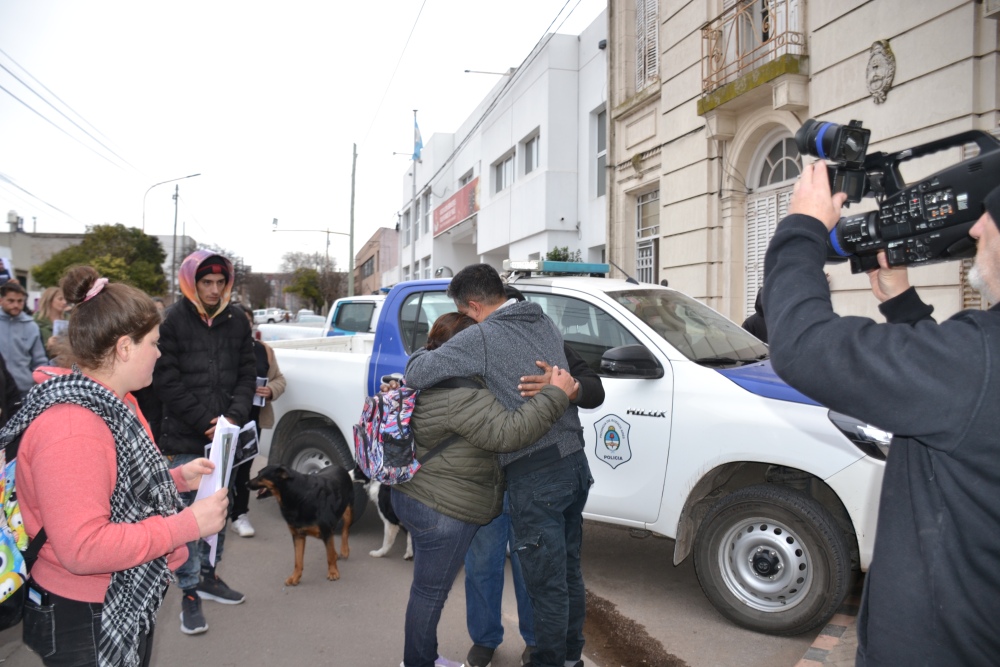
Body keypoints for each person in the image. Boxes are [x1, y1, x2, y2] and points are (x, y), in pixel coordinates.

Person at [762, 162, 1000, 665]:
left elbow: (803, 345)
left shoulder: (978, 361)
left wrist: (802, 227)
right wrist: (904, 305)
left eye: (993, 217)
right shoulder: (974, 367)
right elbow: (955, 402)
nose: (978, 227)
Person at [4, 265, 229, 667]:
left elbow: (107, 485)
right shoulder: (74, 428)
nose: (159, 353)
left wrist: (177, 479)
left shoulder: (112, 402)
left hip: (110, 596)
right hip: (86, 611)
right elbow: (82, 547)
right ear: (125, 348)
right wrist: (186, 526)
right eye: (154, 343)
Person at [405, 264, 592, 667]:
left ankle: (548, 660)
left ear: (473, 306)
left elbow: (416, 372)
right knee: (566, 574)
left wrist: (428, 347)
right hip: (574, 462)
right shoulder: (542, 320)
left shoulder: (483, 335)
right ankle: (569, 658)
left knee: (544, 584)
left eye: (465, 313)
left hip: (535, 472)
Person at [464, 286, 605, 667]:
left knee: (539, 571)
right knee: (483, 562)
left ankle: (538, 642)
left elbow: (594, 388)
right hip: (485, 476)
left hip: (538, 475)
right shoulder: (475, 341)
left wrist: (567, 388)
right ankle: (485, 639)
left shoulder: (547, 341)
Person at [153, 250, 255, 635]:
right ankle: (189, 592)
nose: (214, 290)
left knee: (217, 511)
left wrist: (233, 418)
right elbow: (166, 381)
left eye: (220, 282)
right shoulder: (173, 321)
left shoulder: (236, 320)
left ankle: (209, 577)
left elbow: (248, 374)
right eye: (206, 282)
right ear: (191, 282)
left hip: (225, 437)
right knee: (186, 520)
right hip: (184, 436)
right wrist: (204, 421)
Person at [232, 304, 286, 537]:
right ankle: (216, 514)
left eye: (247, 321)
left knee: (244, 468)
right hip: (224, 420)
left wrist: (271, 389)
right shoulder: (220, 348)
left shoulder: (264, 350)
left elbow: (279, 379)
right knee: (221, 469)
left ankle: (239, 514)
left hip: (253, 420)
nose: (244, 326)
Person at [0, 281, 47, 397]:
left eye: (20, 301)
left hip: (23, 390)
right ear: (1, 300)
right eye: (11, 301)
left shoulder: (32, 326)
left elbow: (39, 361)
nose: (16, 305)